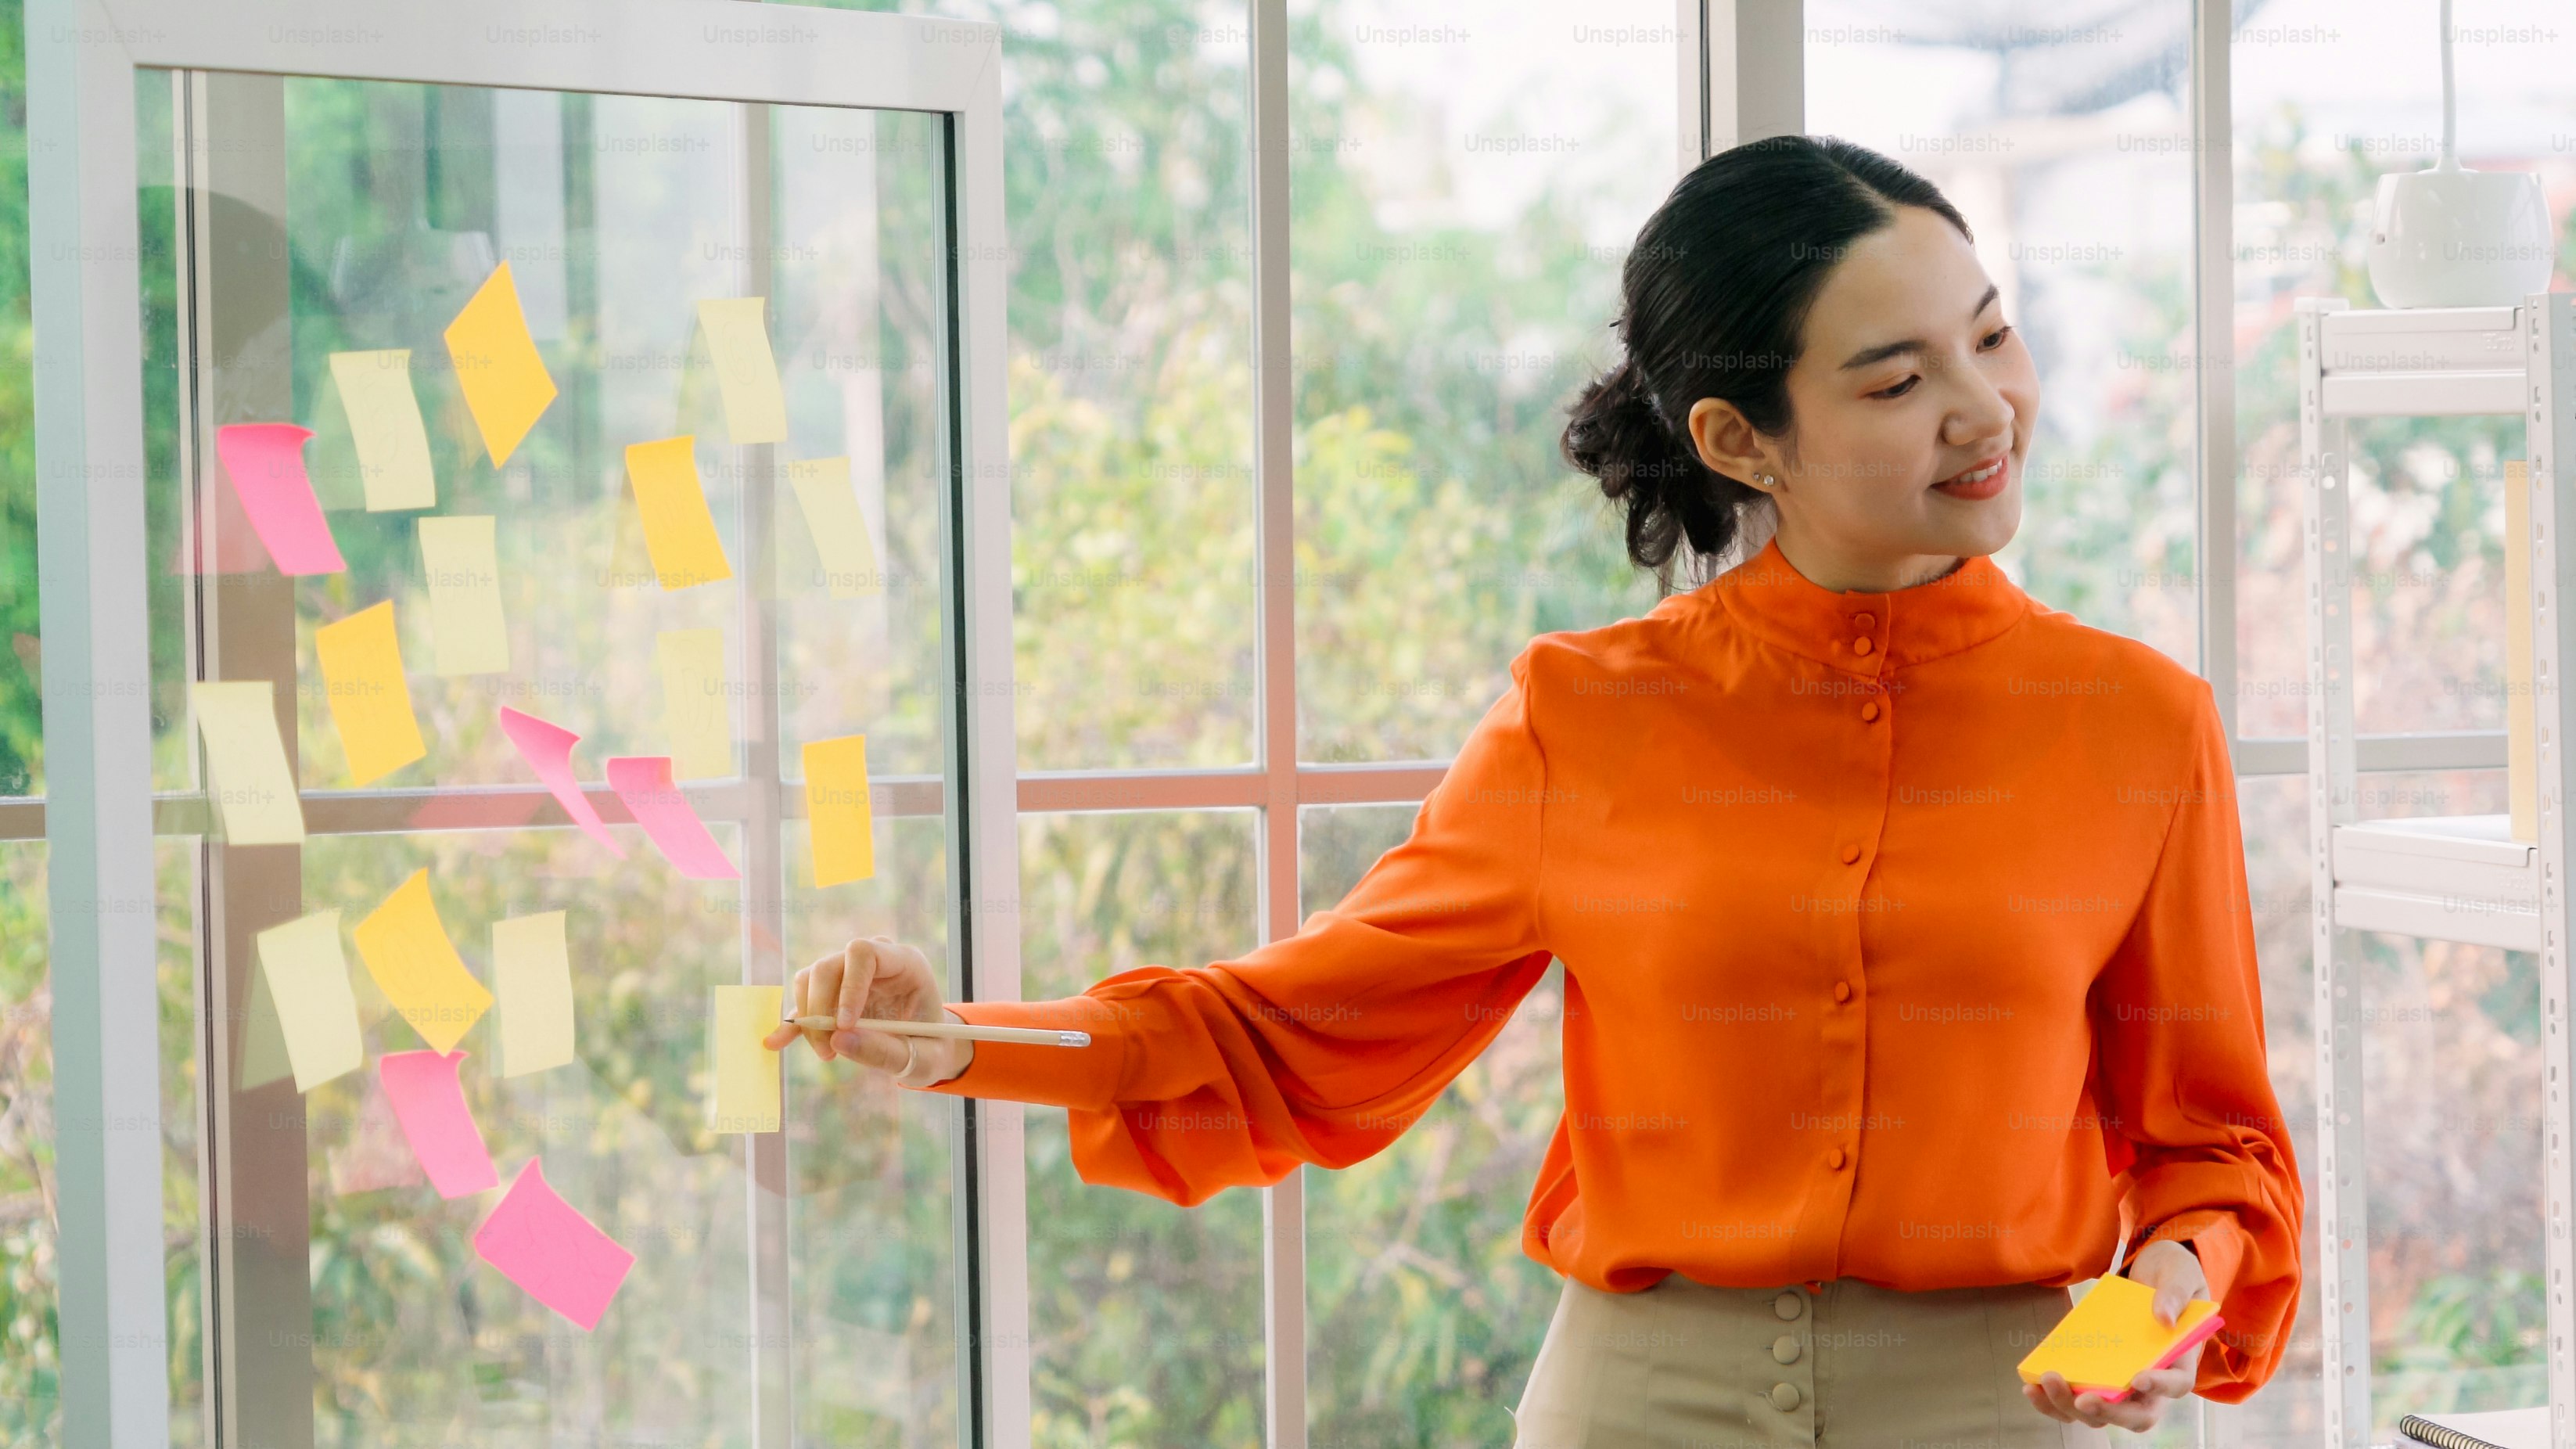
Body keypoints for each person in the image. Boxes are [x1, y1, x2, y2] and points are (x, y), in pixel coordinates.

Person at [763, 134, 2304, 1447]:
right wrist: (959, 1038)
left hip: (2011, 1404)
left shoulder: (2140, 724)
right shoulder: (1588, 714)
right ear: (1736, 438)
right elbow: (1299, 1020)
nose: (1986, 408)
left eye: (1993, 336)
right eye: (1898, 378)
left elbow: (2211, 1144)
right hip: (1639, 1404)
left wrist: (2154, 1300)